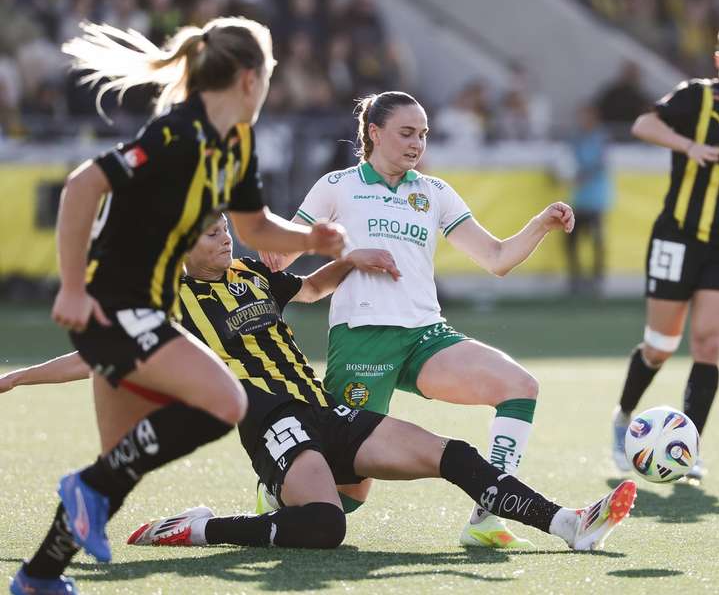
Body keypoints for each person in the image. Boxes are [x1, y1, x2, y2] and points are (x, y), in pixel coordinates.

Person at [1, 216, 638, 559]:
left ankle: (567, 524)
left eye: (226, 230)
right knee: (324, 530)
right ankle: (197, 529)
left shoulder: (248, 273)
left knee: (453, 454)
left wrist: (350, 262)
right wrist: (14, 379)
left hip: (322, 407)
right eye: (211, 235)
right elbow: (95, 357)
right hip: (269, 422)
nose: (225, 240)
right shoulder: (166, 307)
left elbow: (305, 288)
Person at [10, 18, 348, 595]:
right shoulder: (178, 134)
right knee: (223, 403)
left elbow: (254, 225)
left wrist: (308, 242)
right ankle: (84, 494)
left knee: (117, 466)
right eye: (269, 76)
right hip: (115, 302)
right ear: (249, 79)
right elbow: (83, 186)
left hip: (145, 310)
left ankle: (39, 577)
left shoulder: (236, 143)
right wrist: (70, 287)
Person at [261, 90, 576, 549]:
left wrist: (540, 225)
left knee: (520, 386)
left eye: (424, 135)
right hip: (361, 341)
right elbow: (278, 257)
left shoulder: (434, 192)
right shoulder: (338, 185)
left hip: (427, 335)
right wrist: (312, 239)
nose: (417, 144)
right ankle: (274, 495)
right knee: (349, 490)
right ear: (374, 133)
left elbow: (497, 258)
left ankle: (486, 517)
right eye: (406, 133)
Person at [610, 19, 719, 480]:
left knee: (708, 343)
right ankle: (624, 417)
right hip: (678, 236)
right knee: (660, 346)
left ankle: (689, 450)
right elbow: (643, 124)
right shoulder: (695, 97)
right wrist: (689, 146)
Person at [566, 103, 614, 295]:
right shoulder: (576, 139)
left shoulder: (601, 138)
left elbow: (600, 164)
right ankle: (576, 278)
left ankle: (597, 280)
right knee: (572, 241)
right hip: (578, 199)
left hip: (596, 199)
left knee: (596, 240)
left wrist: (581, 176)